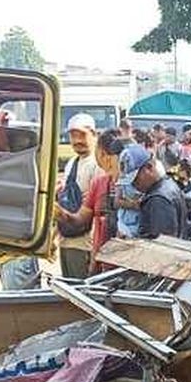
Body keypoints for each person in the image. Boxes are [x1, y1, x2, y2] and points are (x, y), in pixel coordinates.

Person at [57, 129, 124, 274]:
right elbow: (80, 219)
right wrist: (60, 213)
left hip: (124, 267)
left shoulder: (133, 186)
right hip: (99, 264)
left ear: (102, 154)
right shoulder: (99, 183)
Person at [55, 112, 101, 278]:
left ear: (94, 135)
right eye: (73, 136)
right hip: (66, 238)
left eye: (82, 135)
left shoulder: (97, 164)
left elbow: (97, 207)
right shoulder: (72, 163)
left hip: (84, 243)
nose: (77, 141)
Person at [121, 144, 187, 238]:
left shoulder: (158, 200)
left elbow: (161, 245)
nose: (133, 184)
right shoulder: (167, 184)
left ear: (149, 167)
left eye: (135, 179)